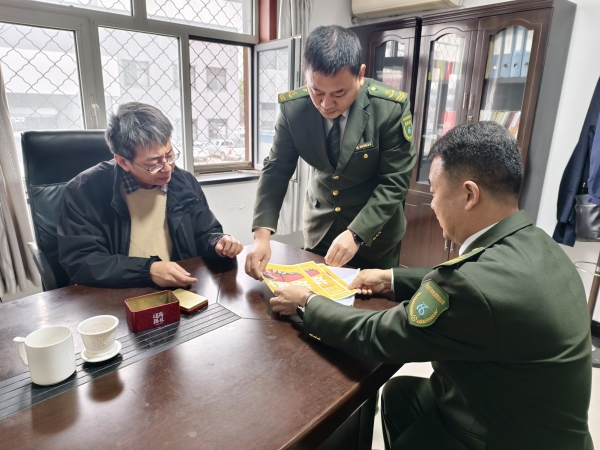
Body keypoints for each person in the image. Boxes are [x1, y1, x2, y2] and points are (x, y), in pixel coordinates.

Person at [269, 121, 593, 449]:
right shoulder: (536, 242)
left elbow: (379, 335)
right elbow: (468, 279)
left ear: (469, 195)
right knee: (400, 395)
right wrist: (389, 278)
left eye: (436, 193)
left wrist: (306, 302)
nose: (433, 204)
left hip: (505, 436)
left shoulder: (472, 287)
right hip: (531, 416)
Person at [245, 25, 415, 279]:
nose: (326, 104)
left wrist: (357, 233)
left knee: (370, 301)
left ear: (360, 75)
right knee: (312, 298)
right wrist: (261, 236)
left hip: (375, 236)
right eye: (316, 91)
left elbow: (394, 182)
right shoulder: (294, 110)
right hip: (321, 228)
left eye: (339, 93)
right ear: (306, 74)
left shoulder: (388, 109)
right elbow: (276, 170)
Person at [58, 102, 243, 288]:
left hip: (179, 286)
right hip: (118, 291)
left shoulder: (183, 182)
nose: (167, 168)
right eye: (154, 163)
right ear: (123, 162)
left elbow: (204, 233)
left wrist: (218, 242)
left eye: (169, 156)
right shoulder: (85, 190)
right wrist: (148, 270)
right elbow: (81, 260)